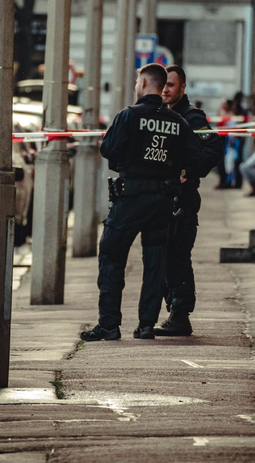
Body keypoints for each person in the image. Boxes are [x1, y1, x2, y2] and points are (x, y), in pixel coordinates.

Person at [80, 64, 209, 341]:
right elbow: (197, 158)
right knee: (155, 262)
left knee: (112, 256)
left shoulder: (129, 116)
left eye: (138, 80)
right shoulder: (178, 122)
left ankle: (109, 324)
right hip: (162, 201)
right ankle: (147, 325)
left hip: (130, 198)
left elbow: (108, 150)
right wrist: (177, 171)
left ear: (144, 83)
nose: (136, 85)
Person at [155, 65, 224, 336]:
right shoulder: (157, 114)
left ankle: (180, 314)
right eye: (163, 85)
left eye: (171, 85)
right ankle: (173, 309)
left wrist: (187, 172)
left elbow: (213, 148)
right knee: (159, 256)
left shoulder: (191, 117)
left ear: (182, 88)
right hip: (159, 198)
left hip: (182, 199)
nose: (166, 90)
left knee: (177, 256)